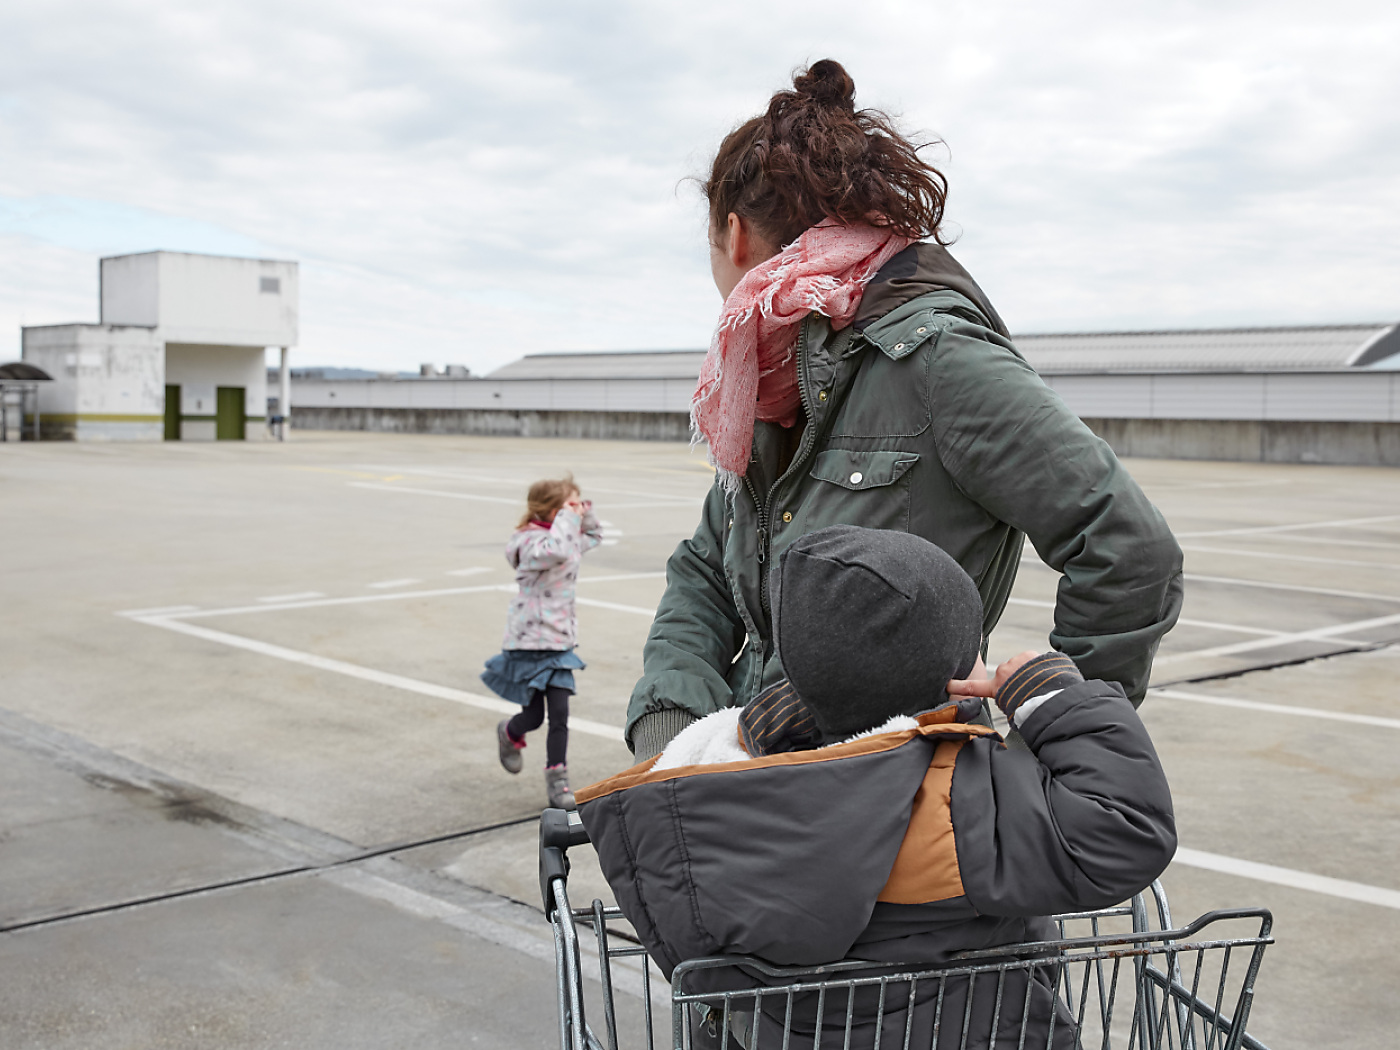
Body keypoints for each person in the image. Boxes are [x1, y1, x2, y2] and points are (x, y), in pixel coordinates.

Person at [625, 58, 1183, 762]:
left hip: (894, 810)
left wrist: (1053, 748)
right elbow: (704, 569)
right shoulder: (765, 386)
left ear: (734, 236)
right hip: (751, 803)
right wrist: (673, 738)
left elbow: (1131, 550)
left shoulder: (935, 359)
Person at [577, 525, 1177, 1050]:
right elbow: (1124, 827)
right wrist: (1051, 694)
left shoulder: (731, 789)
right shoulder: (954, 801)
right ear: (952, 676)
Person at [483, 475, 602, 809]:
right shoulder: (527, 542)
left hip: (559, 642)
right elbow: (557, 550)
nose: (575, 513)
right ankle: (509, 732)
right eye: (569, 506)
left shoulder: (566, 533)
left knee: (560, 714)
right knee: (533, 717)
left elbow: (593, 536)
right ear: (551, 510)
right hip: (529, 641)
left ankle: (558, 779)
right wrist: (567, 519)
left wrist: (584, 513)